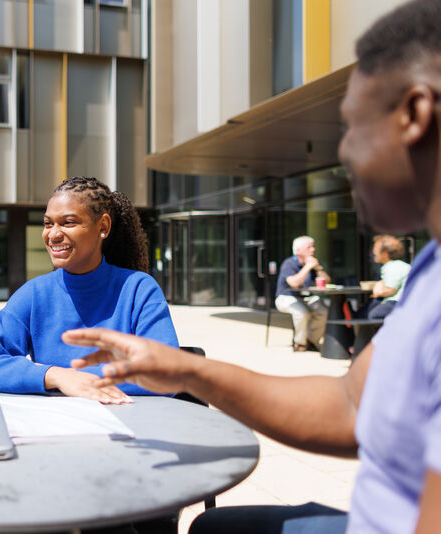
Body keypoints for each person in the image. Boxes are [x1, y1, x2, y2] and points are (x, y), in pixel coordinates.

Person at [62, 2, 441, 531]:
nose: (345, 151)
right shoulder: (431, 269)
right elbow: (350, 404)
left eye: (352, 126)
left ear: (415, 115)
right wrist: (188, 370)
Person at [0, 176, 179, 404]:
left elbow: (166, 371)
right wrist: (55, 375)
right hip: (56, 430)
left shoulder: (138, 289)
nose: (53, 234)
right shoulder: (33, 294)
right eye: (48, 223)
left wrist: (78, 379)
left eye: (68, 222)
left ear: (103, 226)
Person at [274, 236, 331, 351]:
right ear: (298, 250)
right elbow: (294, 283)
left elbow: (327, 281)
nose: (313, 250)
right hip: (286, 297)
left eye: (313, 247)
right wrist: (308, 267)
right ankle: (299, 343)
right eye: (309, 247)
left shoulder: (313, 264)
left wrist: (318, 268)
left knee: (323, 311)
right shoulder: (289, 263)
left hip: (306, 297)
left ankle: (311, 340)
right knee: (302, 312)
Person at [367, 234, 411, 318]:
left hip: (397, 302)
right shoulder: (396, 265)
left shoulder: (393, 266)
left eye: (375, 249)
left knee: (373, 315)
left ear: (385, 253)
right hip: (401, 302)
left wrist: (377, 291)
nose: (373, 252)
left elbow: (390, 290)